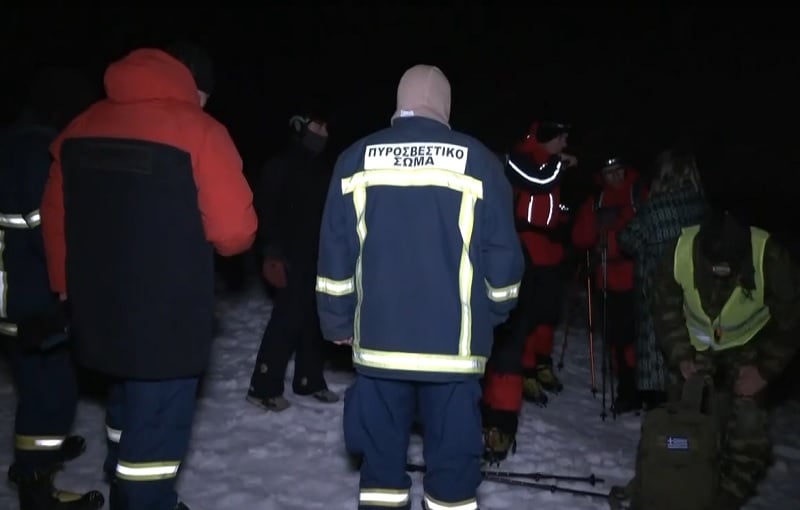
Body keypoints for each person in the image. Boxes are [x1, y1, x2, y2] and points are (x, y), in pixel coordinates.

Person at [40, 41, 257, 510]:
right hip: (167, 320)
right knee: (154, 433)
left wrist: (64, 287)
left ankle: (121, 477)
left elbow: (54, 216)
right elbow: (235, 233)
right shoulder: (199, 130)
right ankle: (144, 498)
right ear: (194, 86)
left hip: (97, 312)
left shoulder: (80, 126)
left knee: (122, 404)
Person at [316, 64, 524, 510]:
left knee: (380, 470)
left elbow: (336, 253)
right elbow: (503, 262)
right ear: (445, 106)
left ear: (399, 102)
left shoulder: (355, 159)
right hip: (455, 351)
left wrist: (337, 320)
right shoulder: (480, 162)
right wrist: (492, 313)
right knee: (453, 471)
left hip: (378, 348)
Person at [1, 66, 104, 510]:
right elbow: (45, 229)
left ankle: (40, 450)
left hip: (14, 290)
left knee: (37, 382)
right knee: (50, 393)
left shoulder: (13, 143)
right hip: (30, 297)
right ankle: (36, 484)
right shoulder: (38, 153)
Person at [651, 211, 800, 509]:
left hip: (751, 349)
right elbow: (664, 309)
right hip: (695, 348)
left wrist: (764, 371)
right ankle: (682, 485)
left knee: (748, 428)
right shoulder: (679, 252)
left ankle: (727, 498)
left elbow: (792, 320)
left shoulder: (770, 258)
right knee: (683, 425)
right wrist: (681, 356)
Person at [481, 120, 575, 462]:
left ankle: (533, 372)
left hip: (546, 252)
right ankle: (515, 384)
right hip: (519, 253)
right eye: (561, 136)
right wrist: (560, 165)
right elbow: (538, 181)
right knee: (513, 327)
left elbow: (552, 203)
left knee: (543, 314)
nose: (565, 143)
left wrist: (564, 221)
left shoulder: (549, 165)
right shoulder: (522, 159)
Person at [246, 111, 339, 412]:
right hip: (287, 256)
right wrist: (271, 253)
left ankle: (308, 379)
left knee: (313, 318)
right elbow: (265, 210)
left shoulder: (323, 169)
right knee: (287, 318)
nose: (324, 133)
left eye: (326, 127)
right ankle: (263, 386)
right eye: (318, 126)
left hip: (316, 255)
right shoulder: (280, 165)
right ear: (299, 127)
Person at [618, 147, 708, 409]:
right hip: (695, 293)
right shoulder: (702, 206)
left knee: (660, 359)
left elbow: (627, 239)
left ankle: (664, 419)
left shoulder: (654, 209)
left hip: (657, 292)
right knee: (688, 359)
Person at [571, 156, 648, 413]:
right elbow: (580, 238)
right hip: (608, 279)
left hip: (639, 277)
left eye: (618, 171)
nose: (614, 177)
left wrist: (620, 218)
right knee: (617, 338)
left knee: (641, 337)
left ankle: (646, 388)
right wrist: (596, 223)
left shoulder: (640, 195)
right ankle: (627, 388)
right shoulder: (597, 201)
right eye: (609, 172)